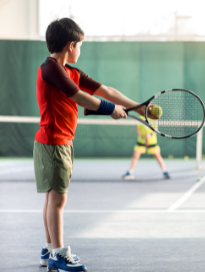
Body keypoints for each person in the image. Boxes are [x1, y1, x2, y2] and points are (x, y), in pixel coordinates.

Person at [34, 18, 157, 272]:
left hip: (59, 142)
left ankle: (49, 249)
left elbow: (106, 90)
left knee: (51, 198)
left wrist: (139, 107)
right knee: (57, 200)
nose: (80, 50)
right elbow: (80, 97)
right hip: (54, 143)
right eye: (80, 45)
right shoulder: (51, 69)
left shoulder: (71, 72)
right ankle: (58, 254)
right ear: (70, 45)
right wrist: (111, 110)